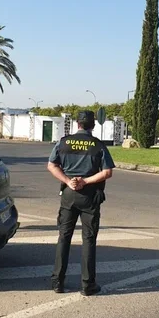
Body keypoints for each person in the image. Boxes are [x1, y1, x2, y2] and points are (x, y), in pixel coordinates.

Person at [47, 110, 115, 296]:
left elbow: (52, 165)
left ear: (77, 123)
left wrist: (69, 181)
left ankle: (57, 282)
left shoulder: (64, 142)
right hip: (90, 196)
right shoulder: (97, 145)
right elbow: (107, 172)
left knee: (64, 237)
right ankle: (87, 285)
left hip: (68, 194)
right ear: (93, 125)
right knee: (89, 239)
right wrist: (86, 181)